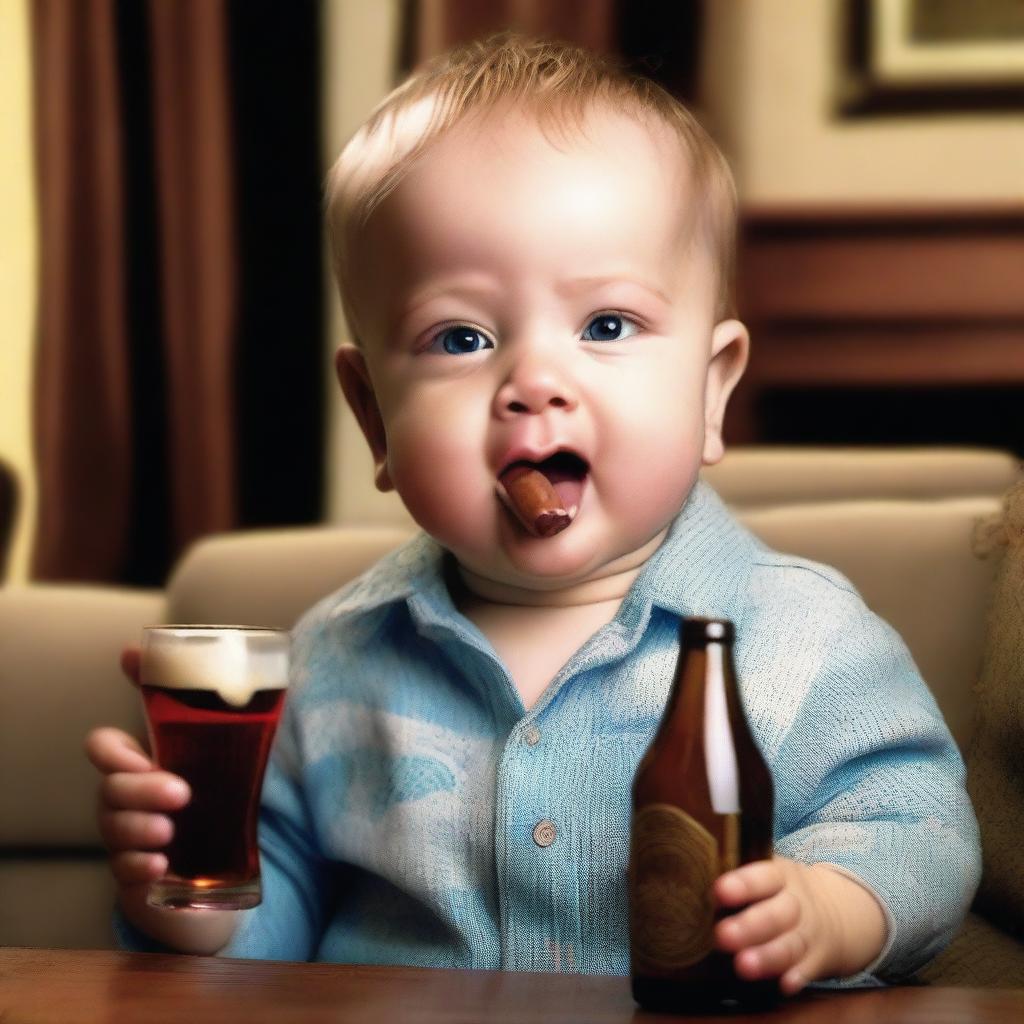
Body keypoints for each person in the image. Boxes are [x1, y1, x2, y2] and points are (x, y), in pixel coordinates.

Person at [86, 34, 980, 993]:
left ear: (712, 390)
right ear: (373, 418)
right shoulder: (333, 660)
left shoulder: (804, 638)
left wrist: (830, 907)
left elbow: (915, 822)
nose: (535, 385)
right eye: (461, 337)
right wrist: (182, 896)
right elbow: (280, 922)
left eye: (606, 326)